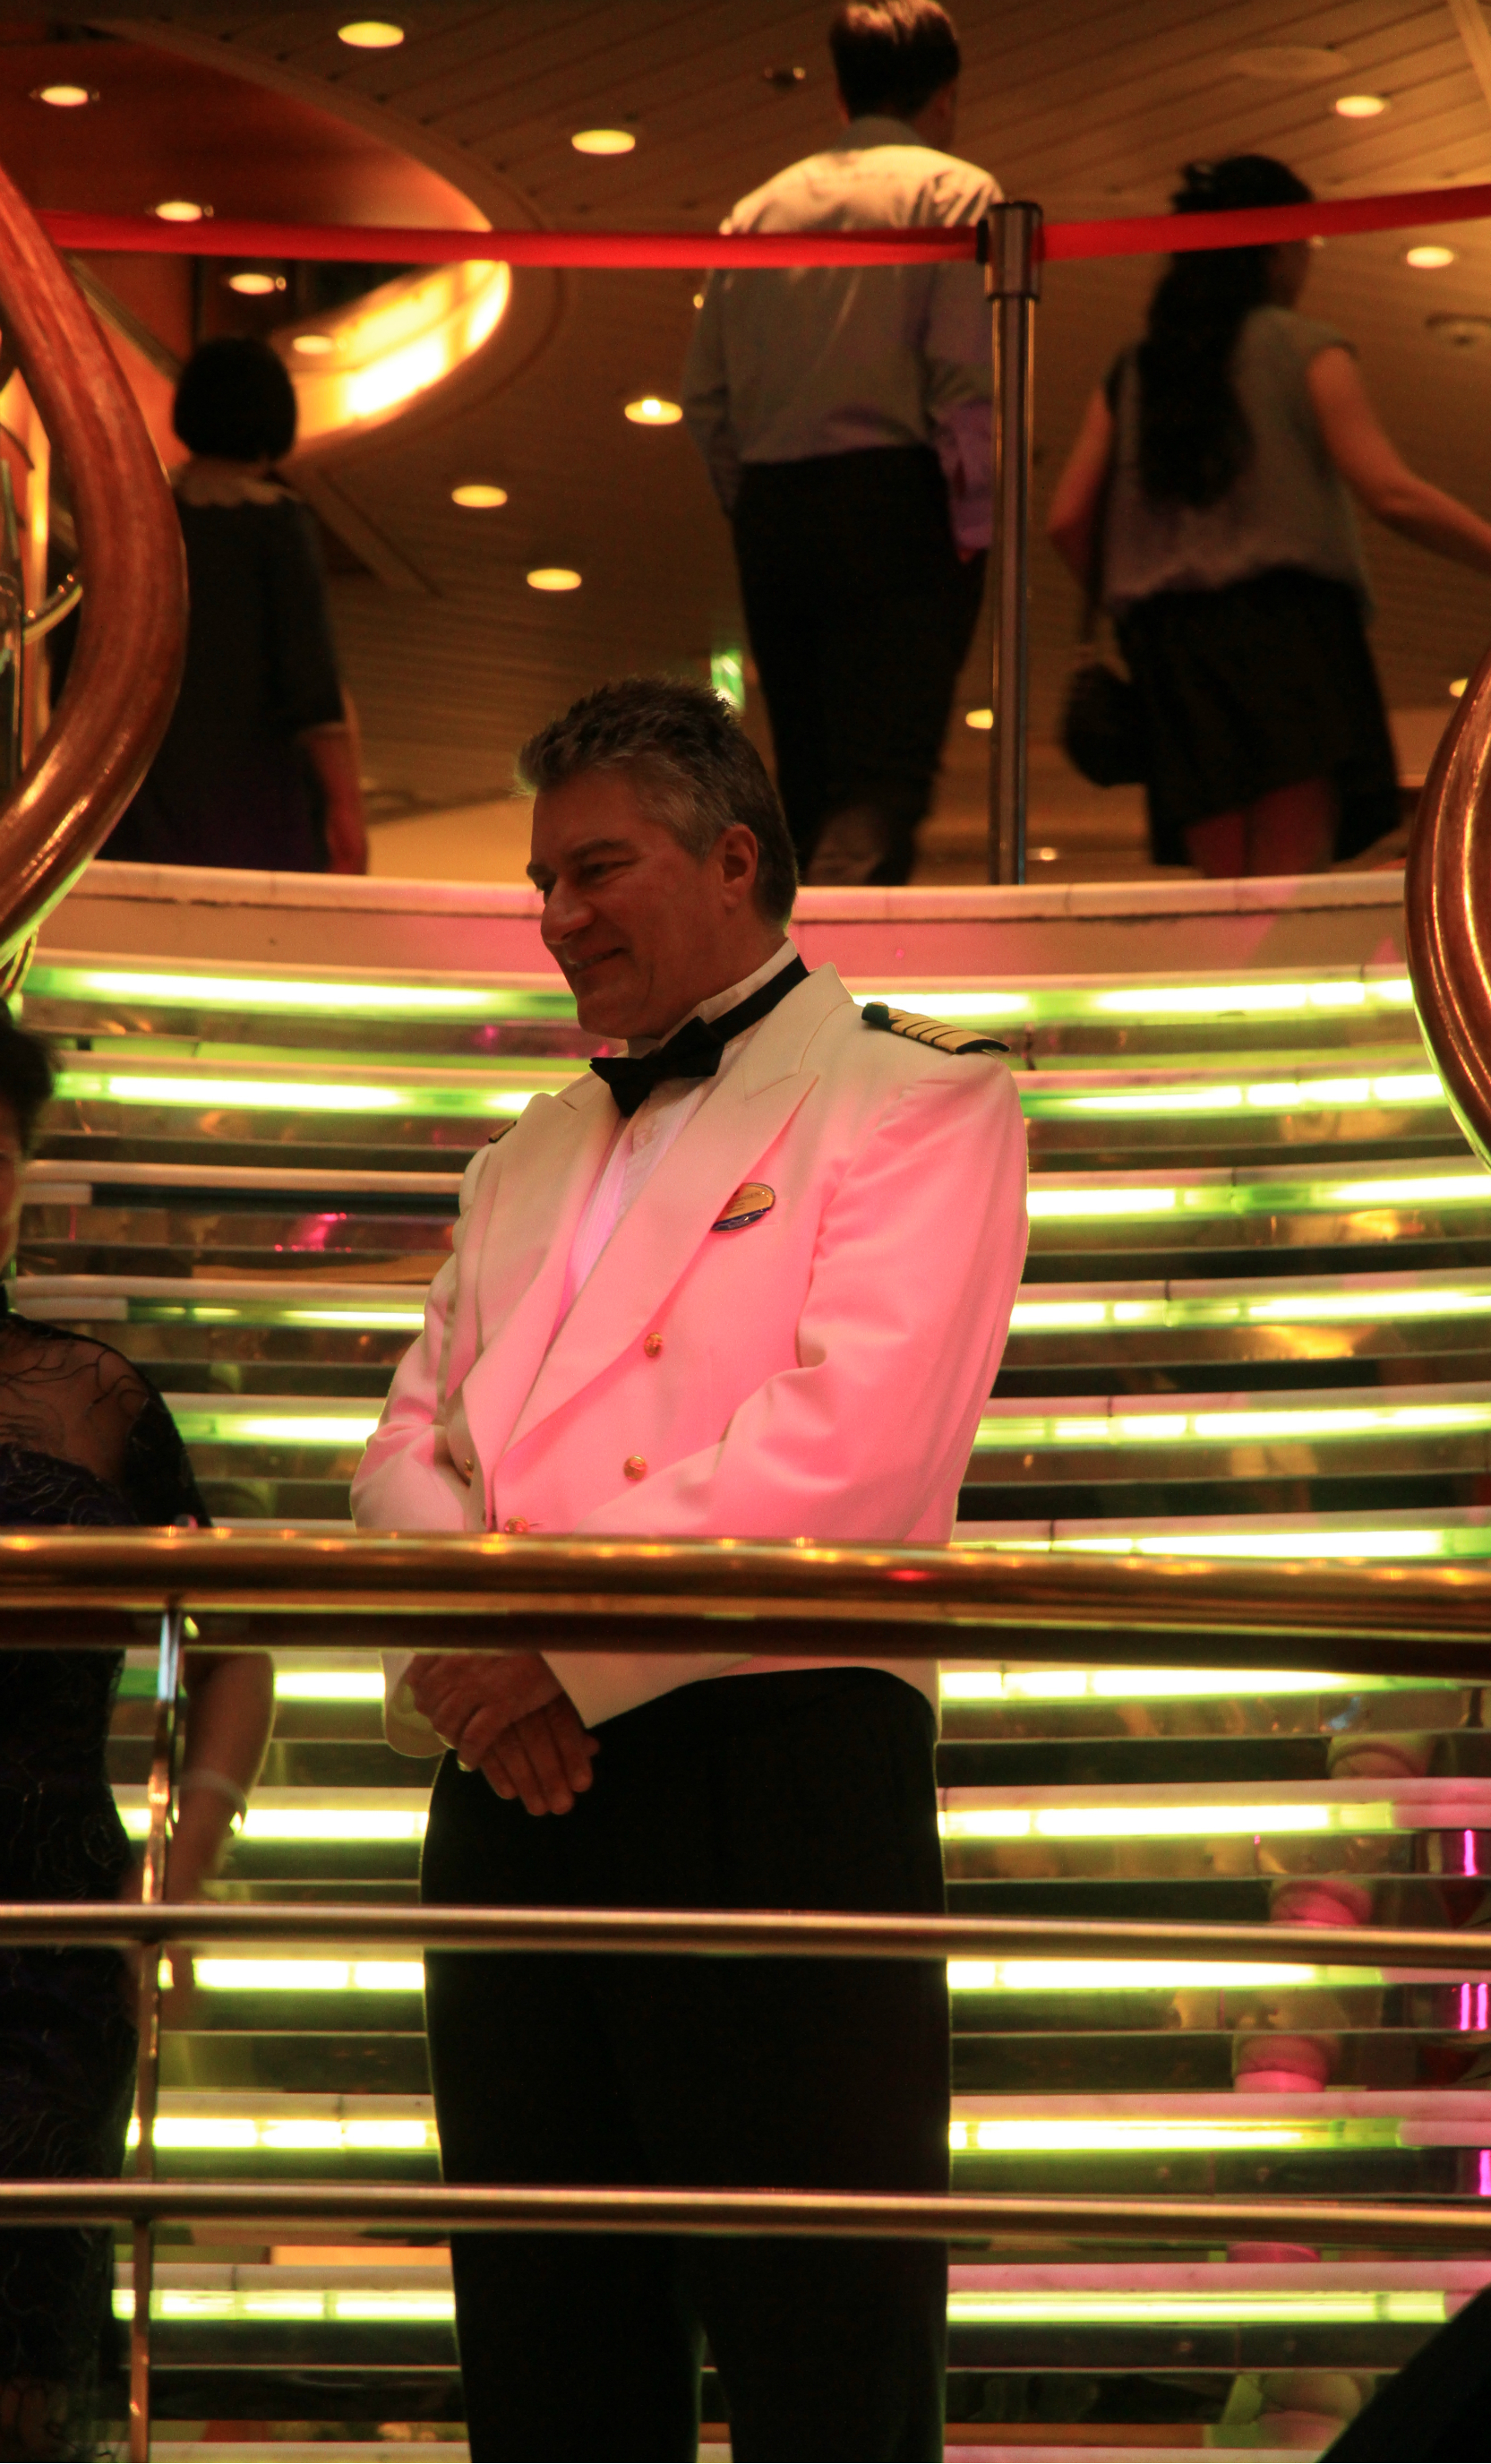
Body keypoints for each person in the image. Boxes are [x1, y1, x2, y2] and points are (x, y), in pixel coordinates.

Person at [352, 675, 1027, 2462]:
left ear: (734, 860)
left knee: (822, 2356)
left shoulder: (916, 1096)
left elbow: (849, 1454)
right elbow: (404, 1446)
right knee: (545, 2357)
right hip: (513, 1789)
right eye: (541, 881)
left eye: (597, 869)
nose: (558, 917)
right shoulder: (520, 1153)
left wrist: (548, 1652)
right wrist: (476, 1678)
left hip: (771, 1767)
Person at [0, 1009, 273, 2462]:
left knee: (25, 2361)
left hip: (47, 1933)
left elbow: (234, 1643)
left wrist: (179, 1866)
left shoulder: (92, 1396)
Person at [1047, 153, 1491, 879]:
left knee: (1225, 894)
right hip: (1289, 637)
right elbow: (1391, 493)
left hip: (1173, 650)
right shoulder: (1304, 347)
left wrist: (1143, 605)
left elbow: (1067, 519)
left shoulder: (1135, 369)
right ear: (1276, 247)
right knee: (1287, 884)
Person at [681, 0, 998, 889]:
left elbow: (704, 396)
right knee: (882, 776)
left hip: (775, 505)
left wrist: (752, 500)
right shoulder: (956, 192)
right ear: (945, 94)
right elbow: (963, 381)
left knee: (808, 776)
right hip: (896, 498)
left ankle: (796, 955)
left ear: (838, 93)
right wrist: (972, 523)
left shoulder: (758, 209)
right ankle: (845, 963)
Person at [102, 336, 366, 876]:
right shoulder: (275, 525)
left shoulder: (134, 518)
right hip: (255, 814)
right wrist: (346, 810)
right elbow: (311, 687)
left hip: (135, 810)